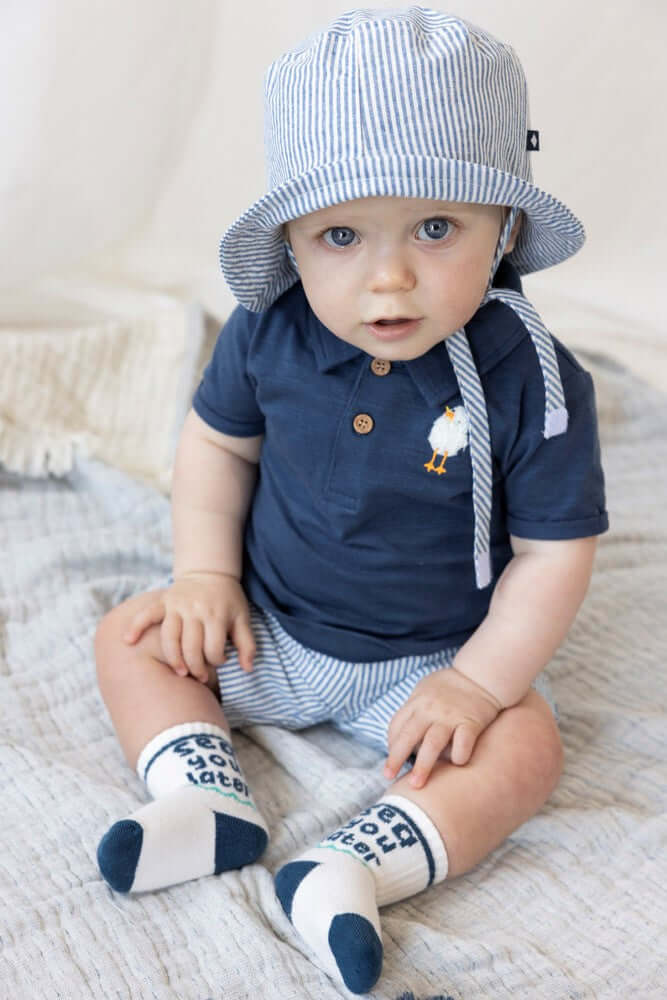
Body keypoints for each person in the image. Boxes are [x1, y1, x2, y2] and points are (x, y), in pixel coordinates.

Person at [95, 8, 608, 994]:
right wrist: (204, 577)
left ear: (502, 225)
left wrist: (476, 683)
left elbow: (552, 555)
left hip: (424, 670)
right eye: (339, 233)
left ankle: (350, 866)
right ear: (290, 235)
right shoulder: (270, 331)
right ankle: (202, 789)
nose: (388, 275)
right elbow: (215, 444)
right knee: (132, 633)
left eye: (435, 226)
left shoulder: (529, 376)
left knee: (527, 739)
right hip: (267, 630)